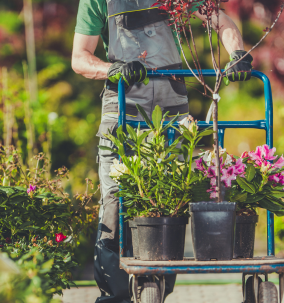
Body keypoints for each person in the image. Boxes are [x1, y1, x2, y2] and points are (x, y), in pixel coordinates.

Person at [71, 1, 253, 302]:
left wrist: (237, 54)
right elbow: (80, 58)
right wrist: (112, 69)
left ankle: (157, 290)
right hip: (123, 108)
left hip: (172, 109)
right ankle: (114, 296)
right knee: (116, 202)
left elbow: (221, 22)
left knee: (171, 201)